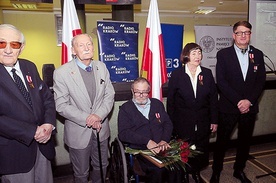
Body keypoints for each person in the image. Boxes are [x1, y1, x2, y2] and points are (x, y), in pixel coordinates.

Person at [53, 33, 115, 183]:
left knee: (102, 166)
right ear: (73, 50)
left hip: (101, 129)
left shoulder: (101, 67)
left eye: (89, 44)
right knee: (81, 173)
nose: (87, 48)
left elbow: (109, 94)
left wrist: (98, 115)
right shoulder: (62, 73)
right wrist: (88, 118)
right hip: (78, 133)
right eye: (81, 45)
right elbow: (61, 105)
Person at [210, 21, 266, 183]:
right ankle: (216, 171)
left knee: (244, 142)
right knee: (222, 142)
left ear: (250, 34)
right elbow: (221, 81)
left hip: (250, 108)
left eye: (246, 32)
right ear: (233, 35)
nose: (243, 35)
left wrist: (249, 101)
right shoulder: (223, 54)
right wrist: (238, 101)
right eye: (240, 32)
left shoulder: (258, 54)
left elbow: (260, 81)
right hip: (228, 107)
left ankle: (238, 170)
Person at [0, 24, 56, 183]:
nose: (8, 50)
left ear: (21, 47)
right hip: (14, 153)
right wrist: (32, 131)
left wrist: (48, 124)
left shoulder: (29, 66)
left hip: (43, 147)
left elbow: (47, 98)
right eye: (1, 43)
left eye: (14, 44)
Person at [167, 43, 218, 183]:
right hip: (182, 121)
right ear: (186, 56)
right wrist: (170, 123)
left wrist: (214, 120)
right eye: (194, 53)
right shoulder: (177, 74)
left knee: (200, 148)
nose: (198, 56)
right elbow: (171, 101)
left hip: (203, 120)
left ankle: (196, 172)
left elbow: (213, 99)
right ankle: (184, 174)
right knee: (185, 148)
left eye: (199, 53)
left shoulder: (206, 73)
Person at [118, 77, 176, 183]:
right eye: (137, 92)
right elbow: (123, 133)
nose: (141, 96)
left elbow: (168, 124)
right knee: (158, 170)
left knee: (177, 166)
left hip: (161, 147)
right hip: (141, 151)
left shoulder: (157, 104)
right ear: (132, 91)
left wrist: (164, 139)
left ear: (149, 91)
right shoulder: (126, 109)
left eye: (144, 92)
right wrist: (147, 141)